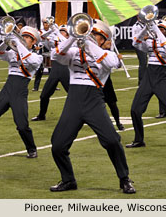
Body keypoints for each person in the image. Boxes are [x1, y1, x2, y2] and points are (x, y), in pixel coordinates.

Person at [49, 17, 135, 194]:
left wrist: (88, 44)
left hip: (94, 100)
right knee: (58, 144)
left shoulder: (108, 55)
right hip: (73, 99)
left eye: (95, 34)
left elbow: (111, 63)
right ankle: (68, 180)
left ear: (104, 40)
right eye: (90, 33)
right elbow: (55, 54)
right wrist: (73, 37)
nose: (90, 36)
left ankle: (124, 178)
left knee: (112, 140)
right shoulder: (73, 52)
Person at [127, 19, 166, 148]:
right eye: (159, 29)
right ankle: (139, 139)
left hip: (161, 78)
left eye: (163, 30)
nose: (160, 31)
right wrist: (147, 28)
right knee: (135, 110)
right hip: (148, 77)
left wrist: (156, 29)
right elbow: (136, 42)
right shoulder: (151, 42)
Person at [0, 25, 43, 158]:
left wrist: (17, 42)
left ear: (33, 42)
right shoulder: (13, 53)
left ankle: (31, 148)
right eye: (23, 37)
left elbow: (27, 59)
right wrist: (6, 40)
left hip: (20, 91)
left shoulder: (37, 57)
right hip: (7, 89)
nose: (24, 39)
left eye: (27, 38)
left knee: (22, 125)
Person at [31, 24, 70, 121]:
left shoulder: (69, 42)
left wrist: (57, 32)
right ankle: (41, 115)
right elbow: (41, 38)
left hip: (65, 69)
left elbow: (65, 44)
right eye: (60, 31)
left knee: (74, 95)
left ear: (68, 34)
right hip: (55, 70)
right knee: (44, 95)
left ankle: (83, 115)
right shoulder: (54, 42)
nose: (60, 33)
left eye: (63, 31)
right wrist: (51, 31)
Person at [99, 38, 125, 131]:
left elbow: (117, 66)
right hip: (96, 81)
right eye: (107, 40)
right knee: (98, 104)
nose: (109, 42)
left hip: (107, 81)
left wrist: (119, 60)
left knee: (112, 103)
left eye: (110, 40)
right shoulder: (97, 52)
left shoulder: (112, 53)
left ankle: (118, 122)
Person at [131, 17, 148, 85]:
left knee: (144, 63)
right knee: (143, 63)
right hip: (139, 46)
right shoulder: (136, 26)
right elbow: (135, 38)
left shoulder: (145, 24)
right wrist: (145, 37)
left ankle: (144, 80)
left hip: (144, 45)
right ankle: (141, 81)